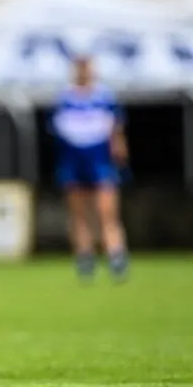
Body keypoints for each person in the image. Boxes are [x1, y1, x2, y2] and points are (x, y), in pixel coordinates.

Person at [51, 56, 129, 280]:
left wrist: (119, 148)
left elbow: (116, 128)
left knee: (106, 212)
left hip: (100, 160)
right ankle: (85, 257)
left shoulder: (104, 97)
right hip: (73, 162)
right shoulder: (65, 97)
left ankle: (115, 254)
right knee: (78, 212)